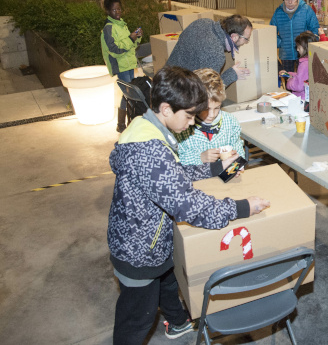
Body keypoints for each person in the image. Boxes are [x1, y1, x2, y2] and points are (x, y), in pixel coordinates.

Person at [108, 66, 270, 344]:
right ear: (167, 109)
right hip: (139, 251)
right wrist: (242, 207)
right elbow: (189, 206)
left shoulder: (146, 128)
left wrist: (215, 169)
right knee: (137, 320)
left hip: (150, 241)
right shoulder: (150, 152)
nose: (194, 123)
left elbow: (173, 174)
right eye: (190, 115)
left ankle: (178, 321)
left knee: (168, 282)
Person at [175, 68, 245, 166]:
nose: (212, 115)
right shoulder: (182, 127)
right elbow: (176, 162)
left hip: (223, 178)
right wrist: (199, 158)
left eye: (217, 108)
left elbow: (239, 152)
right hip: (196, 180)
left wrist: (236, 163)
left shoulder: (230, 122)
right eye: (206, 109)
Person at [166, 15, 252, 87]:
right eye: (246, 39)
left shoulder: (203, 22)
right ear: (234, 37)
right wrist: (232, 74)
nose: (246, 42)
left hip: (164, 79)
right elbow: (208, 92)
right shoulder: (216, 54)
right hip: (177, 94)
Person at [100, 0, 143, 133]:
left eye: (119, 9)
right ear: (108, 11)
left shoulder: (122, 25)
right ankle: (128, 124)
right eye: (114, 10)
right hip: (121, 66)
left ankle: (122, 124)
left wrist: (137, 37)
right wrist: (131, 38)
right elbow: (114, 50)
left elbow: (130, 46)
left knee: (127, 94)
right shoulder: (109, 28)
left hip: (129, 65)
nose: (117, 12)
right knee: (129, 94)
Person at [270, 0, 319, 73]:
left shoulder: (306, 10)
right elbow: (271, 31)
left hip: (304, 52)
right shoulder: (278, 12)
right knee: (288, 79)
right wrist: (280, 43)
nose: (290, 2)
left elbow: (315, 29)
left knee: (304, 79)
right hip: (286, 53)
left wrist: (307, 44)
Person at [280, 31, 318, 100]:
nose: (297, 50)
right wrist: (289, 74)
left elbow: (298, 86)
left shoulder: (304, 64)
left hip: (302, 98)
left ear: (306, 48)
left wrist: (289, 80)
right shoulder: (312, 60)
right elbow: (303, 76)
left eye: (299, 47)